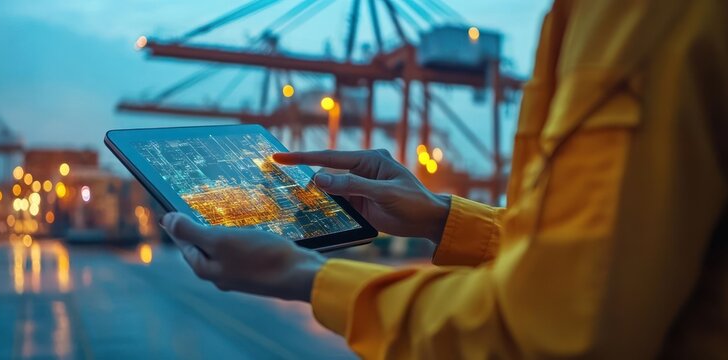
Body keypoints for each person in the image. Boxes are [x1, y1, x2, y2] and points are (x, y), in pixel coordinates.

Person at [160, 0, 727, 357]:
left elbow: (555, 332)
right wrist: (440, 216)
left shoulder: (641, 19)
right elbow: (616, 255)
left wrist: (306, 275)